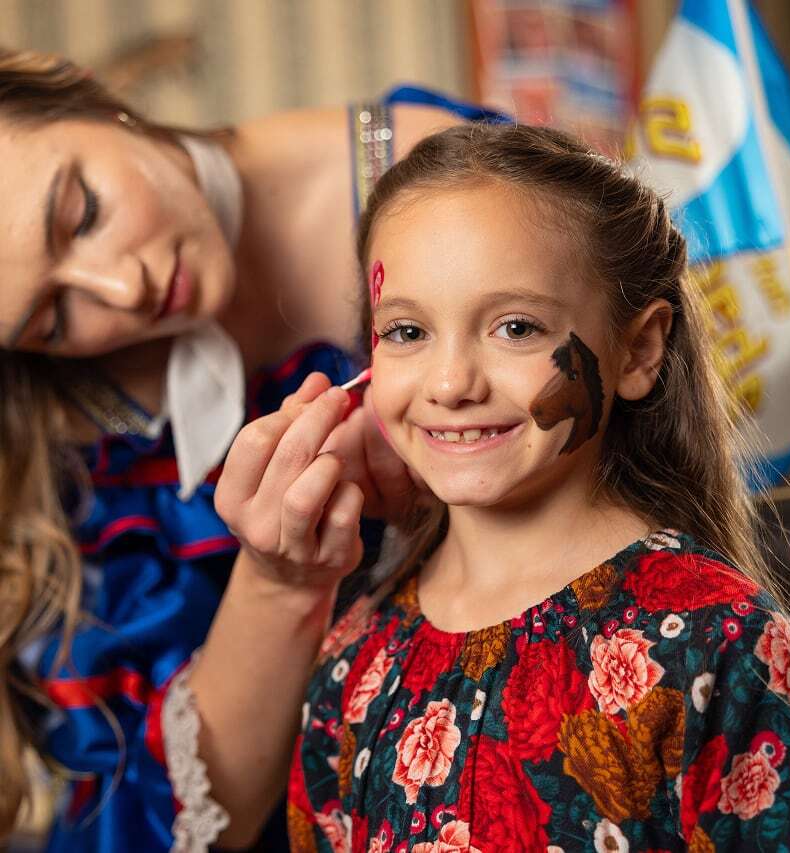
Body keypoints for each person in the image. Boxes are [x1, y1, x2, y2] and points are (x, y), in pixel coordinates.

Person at [201, 123, 790, 851]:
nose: (450, 384)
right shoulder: (356, 653)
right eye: (408, 332)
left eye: (514, 327)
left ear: (637, 349)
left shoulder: (712, 632)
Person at [0, 48, 506, 851]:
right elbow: (171, 824)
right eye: (51, 318)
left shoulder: (469, 176)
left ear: (79, 92)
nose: (119, 290)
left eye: (82, 212)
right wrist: (277, 586)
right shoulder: (79, 456)